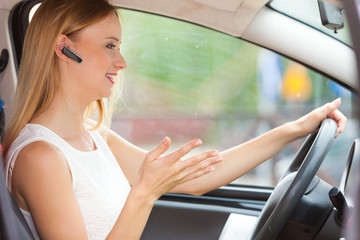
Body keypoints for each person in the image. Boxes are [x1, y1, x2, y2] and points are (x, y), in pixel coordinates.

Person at [1, 0, 347, 239]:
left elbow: (199, 177)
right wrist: (145, 192)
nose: (121, 62)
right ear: (64, 49)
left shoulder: (95, 137)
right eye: (109, 45)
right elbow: (146, 195)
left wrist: (294, 130)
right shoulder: (41, 157)